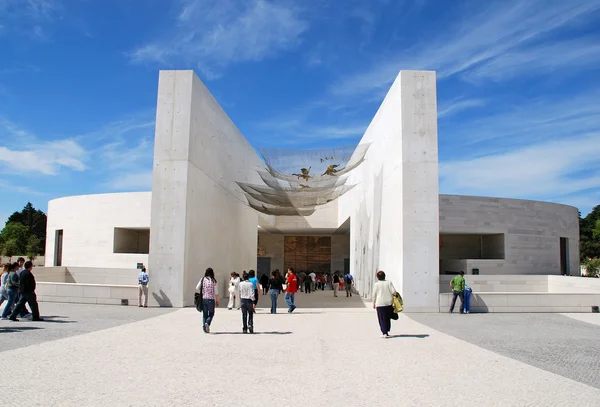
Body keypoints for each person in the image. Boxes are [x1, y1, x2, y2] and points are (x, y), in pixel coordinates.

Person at [372, 270, 396, 338]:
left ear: (377, 277)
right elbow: (394, 292)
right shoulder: (389, 283)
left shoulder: (376, 284)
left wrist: (373, 303)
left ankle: (384, 332)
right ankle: (387, 330)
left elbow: (374, 295)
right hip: (389, 303)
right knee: (387, 317)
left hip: (380, 303)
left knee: (381, 318)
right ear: (384, 276)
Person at [196, 268, 220, 333]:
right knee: (211, 313)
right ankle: (207, 322)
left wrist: (204, 289)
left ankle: (204, 328)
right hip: (211, 299)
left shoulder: (203, 279)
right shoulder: (214, 281)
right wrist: (217, 301)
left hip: (204, 298)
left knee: (205, 314)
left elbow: (197, 287)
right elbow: (216, 292)